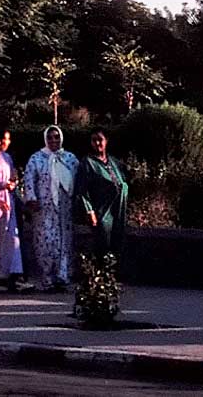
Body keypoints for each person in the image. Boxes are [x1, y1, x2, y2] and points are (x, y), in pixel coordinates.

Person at [21, 125, 79, 291]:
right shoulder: (37, 158)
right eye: (50, 137)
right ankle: (47, 278)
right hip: (44, 208)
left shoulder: (70, 158)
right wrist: (31, 199)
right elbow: (29, 179)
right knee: (46, 242)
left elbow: (77, 180)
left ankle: (62, 277)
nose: (54, 140)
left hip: (64, 208)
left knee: (64, 241)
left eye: (56, 137)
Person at [72, 130, 130, 260]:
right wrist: (89, 211)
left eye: (100, 139)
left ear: (106, 141)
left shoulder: (114, 162)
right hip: (102, 210)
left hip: (118, 210)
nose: (97, 143)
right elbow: (82, 189)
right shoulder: (88, 163)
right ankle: (101, 269)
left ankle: (115, 268)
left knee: (118, 242)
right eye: (94, 140)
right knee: (103, 240)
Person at [0, 130, 23, 291]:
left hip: (8, 203)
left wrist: (11, 184)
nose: (7, 142)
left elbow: (11, 178)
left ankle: (11, 275)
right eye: (5, 139)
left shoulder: (6, 158)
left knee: (11, 239)